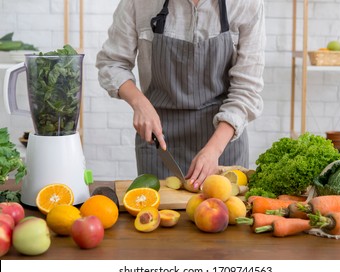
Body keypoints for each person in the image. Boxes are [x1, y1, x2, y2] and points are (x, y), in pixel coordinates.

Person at [96, 0, 265, 190]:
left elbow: (247, 87)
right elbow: (112, 63)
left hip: (222, 145)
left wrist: (213, 150)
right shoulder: (138, 3)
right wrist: (139, 103)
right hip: (159, 143)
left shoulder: (246, 4)